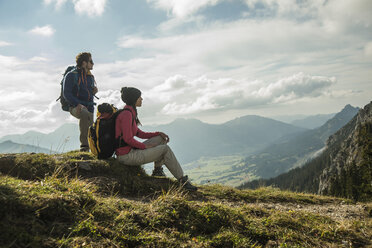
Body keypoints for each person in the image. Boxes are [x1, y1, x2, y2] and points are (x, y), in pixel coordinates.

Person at [115, 87, 197, 191]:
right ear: (134, 99)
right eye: (139, 97)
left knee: (160, 139)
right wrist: (145, 146)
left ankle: (158, 170)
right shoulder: (126, 114)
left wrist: (158, 133)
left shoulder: (129, 112)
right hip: (126, 156)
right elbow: (127, 139)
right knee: (165, 149)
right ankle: (182, 180)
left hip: (129, 151)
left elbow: (138, 133)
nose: (142, 99)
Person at [63, 52, 98, 152]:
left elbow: (89, 94)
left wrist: (94, 91)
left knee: (91, 127)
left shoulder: (90, 77)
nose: (93, 63)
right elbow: (67, 93)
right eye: (90, 61)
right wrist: (77, 104)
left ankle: (93, 149)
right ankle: (84, 147)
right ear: (84, 63)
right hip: (74, 107)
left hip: (89, 107)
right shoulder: (71, 75)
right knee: (84, 112)